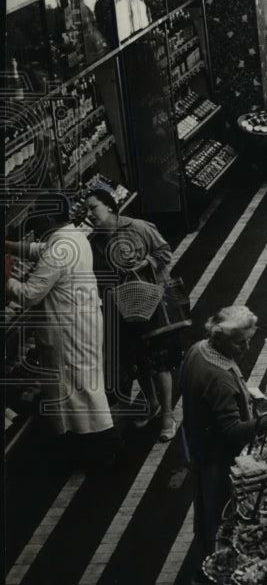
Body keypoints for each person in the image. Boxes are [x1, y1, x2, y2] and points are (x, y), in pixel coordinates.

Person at [5, 193, 119, 469]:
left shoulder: (60, 247)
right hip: (82, 321)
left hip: (68, 330)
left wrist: (6, 278)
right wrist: (7, 245)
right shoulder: (72, 235)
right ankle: (94, 449)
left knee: (78, 393)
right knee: (83, 388)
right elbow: (39, 250)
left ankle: (100, 452)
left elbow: (31, 294)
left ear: (45, 217)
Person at [85, 187, 184, 441]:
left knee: (160, 361)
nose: (90, 214)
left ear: (108, 205)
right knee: (138, 359)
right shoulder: (94, 242)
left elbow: (165, 252)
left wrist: (145, 263)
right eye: (87, 210)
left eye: (93, 207)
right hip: (122, 308)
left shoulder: (137, 227)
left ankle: (168, 415)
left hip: (152, 303)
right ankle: (152, 404)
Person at [180, 305, 267, 555]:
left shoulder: (198, 349)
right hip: (219, 459)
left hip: (199, 445)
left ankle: (208, 550)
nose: (246, 349)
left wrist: (244, 397)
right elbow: (234, 431)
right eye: (240, 343)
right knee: (223, 514)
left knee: (206, 509)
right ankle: (218, 566)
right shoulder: (219, 378)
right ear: (220, 339)